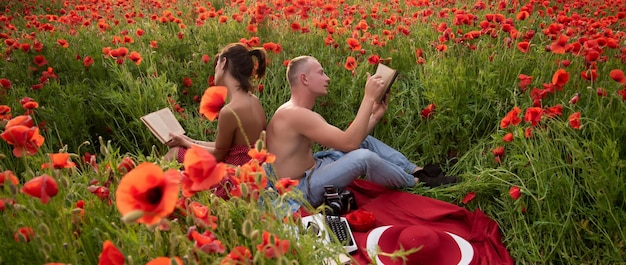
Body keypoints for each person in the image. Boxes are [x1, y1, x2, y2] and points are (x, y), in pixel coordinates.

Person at [266, 56, 457, 207]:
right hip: (302, 188)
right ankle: (416, 182)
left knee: (365, 142)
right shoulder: (295, 114)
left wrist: (374, 116)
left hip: (316, 166)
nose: (327, 78)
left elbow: (350, 140)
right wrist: (368, 97)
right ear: (304, 78)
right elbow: (349, 143)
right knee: (363, 157)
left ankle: (419, 171)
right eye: (321, 72)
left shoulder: (297, 112)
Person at [164, 43, 267, 166]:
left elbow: (217, 155)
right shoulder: (254, 100)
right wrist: (188, 141)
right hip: (251, 171)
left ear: (223, 63)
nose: (215, 69)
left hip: (235, 176)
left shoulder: (230, 110)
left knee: (174, 154)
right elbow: (224, 148)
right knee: (179, 150)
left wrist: (185, 144)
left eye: (216, 64)